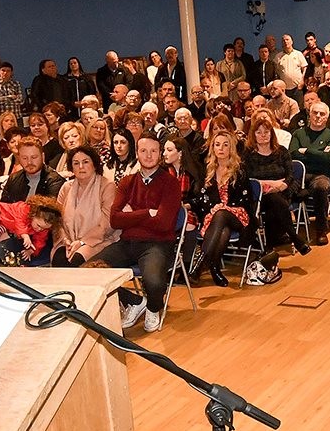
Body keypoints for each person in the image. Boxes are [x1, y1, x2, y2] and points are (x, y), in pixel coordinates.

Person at [95, 135, 183, 333]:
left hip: (157, 244)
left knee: (153, 282)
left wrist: (131, 214)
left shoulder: (170, 183)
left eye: (153, 151)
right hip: (127, 242)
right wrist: (146, 213)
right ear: (137, 153)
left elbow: (163, 223)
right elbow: (115, 219)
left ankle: (153, 308)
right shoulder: (127, 182)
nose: (149, 155)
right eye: (143, 151)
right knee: (90, 271)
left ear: (160, 154)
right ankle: (135, 301)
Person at [187, 129, 256, 287]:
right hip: (217, 217)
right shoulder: (208, 171)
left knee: (222, 214)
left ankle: (200, 263)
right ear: (213, 148)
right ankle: (214, 267)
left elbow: (247, 199)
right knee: (222, 228)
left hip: (239, 214)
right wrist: (193, 204)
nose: (221, 148)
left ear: (231, 147)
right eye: (217, 145)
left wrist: (224, 207)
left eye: (225, 145)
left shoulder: (240, 170)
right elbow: (202, 198)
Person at [245, 111, 310, 256]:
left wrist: (283, 185)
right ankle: (294, 237)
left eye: (266, 132)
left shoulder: (281, 151)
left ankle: (269, 246)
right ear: (253, 135)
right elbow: (247, 179)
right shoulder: (248, 154)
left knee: (274, 203)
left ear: (271, 133)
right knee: (272, 200)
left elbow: (291, 175)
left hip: (283, 192)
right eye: (259, 132)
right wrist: (269, 183)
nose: (263, 135)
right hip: (259, 195)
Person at [53, 146, 118, 267]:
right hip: (68, 241)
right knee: (59, 259)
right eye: (76, 163)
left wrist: (82, 242)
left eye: (85, 162)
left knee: (75, 260)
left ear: (94, 164)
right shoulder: (66, 187)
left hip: (98, 241)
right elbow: (57, 221)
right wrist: (65, 240)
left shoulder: (107, 186)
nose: (81, 167)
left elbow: (107, 223)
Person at [294, 99, 330, 245]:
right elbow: (292, 155)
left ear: (327, 118)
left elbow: (328, 159)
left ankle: (321, 230)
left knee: (320, 187)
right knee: (282, 189)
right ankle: (288, 229)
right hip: (299, 175)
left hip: (321, 175)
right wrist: (319, 153)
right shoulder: (298, 133)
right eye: (315, 113)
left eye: (322, 114)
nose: (318, 116)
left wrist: (306, 151)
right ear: (310, 115)